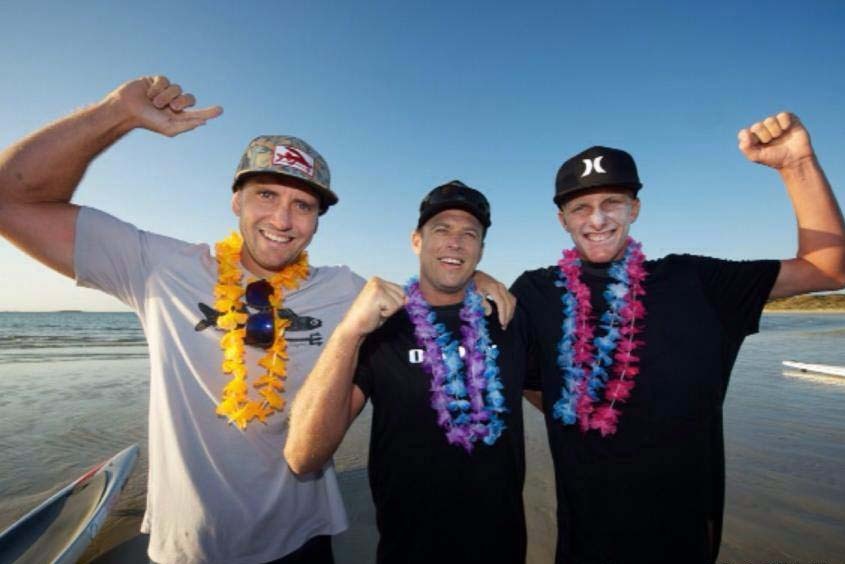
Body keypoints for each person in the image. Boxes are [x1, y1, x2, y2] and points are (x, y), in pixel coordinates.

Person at [0, 76, 513, 564]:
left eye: (303, 205)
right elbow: (11, 198)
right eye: (266, 195)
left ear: (317, 219)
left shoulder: (343, 290)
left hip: (305, 536)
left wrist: (475, 275)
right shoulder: (158, 267)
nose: (283, 220)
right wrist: (114, 115)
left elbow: (425, 290)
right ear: (236, 200)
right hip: (193, 544)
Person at [511, 112, 845, 563]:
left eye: (613, 202)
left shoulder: (699, 281)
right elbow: (522, 378)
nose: (598, 219)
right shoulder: (535, 292)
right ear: (562, 220)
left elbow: (828, 269)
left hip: (685, 540)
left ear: (635, 209)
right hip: (585, 542)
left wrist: (796, 165)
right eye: (580, 208)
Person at [285, 181, 532, 563]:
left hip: (503, 548)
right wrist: (349, 331)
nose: (456, 242)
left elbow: (544, 389)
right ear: (416, 240)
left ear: (481, 250)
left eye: (470, 234)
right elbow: (303, 455)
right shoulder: (384, 328)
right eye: (442, 230)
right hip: (408, 549)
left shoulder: (507, 318)